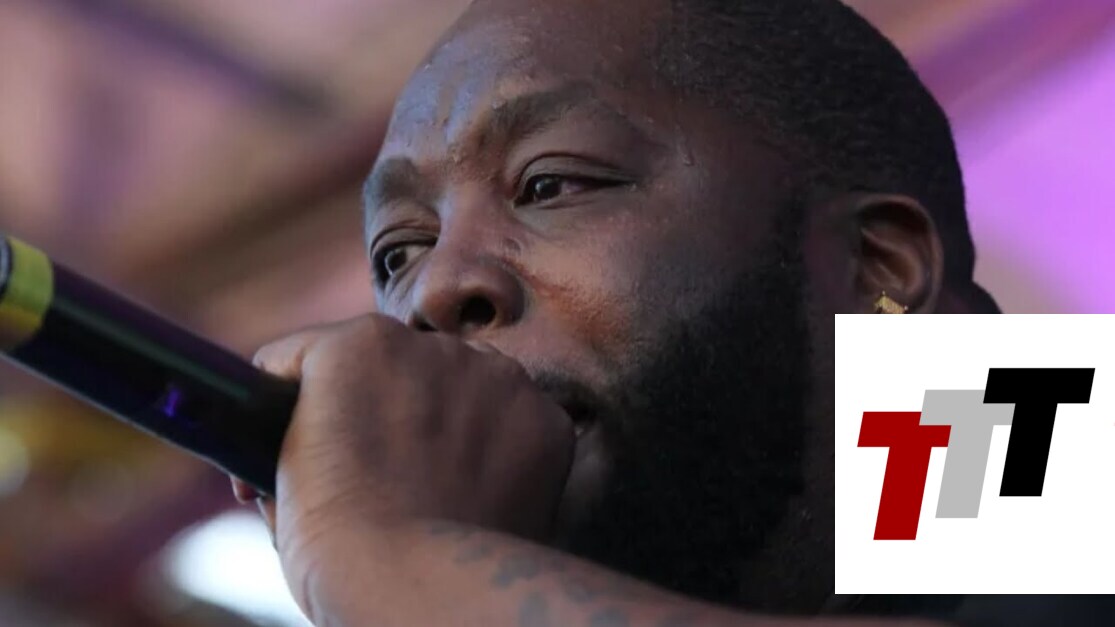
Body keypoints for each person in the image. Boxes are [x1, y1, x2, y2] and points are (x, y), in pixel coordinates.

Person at [228, 0, 1085, 624]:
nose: (434, 290)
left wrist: (386, 554)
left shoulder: (1045, 460)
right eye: (398, 252)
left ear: (876, 266)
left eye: (549, 184)